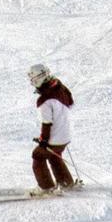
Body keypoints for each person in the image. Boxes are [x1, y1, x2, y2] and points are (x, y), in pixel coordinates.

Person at [28, 63, 80, 195]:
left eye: (33, 80)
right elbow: (70, 102)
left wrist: (44, 141)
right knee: (54, 156)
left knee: (38, 156)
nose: (33, 84)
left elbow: (47, 123)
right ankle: (66, 183)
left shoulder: (44, 100)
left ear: (39, 79)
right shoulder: (59, 86)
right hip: (67, 135)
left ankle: (46, 187)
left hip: (56, 137)